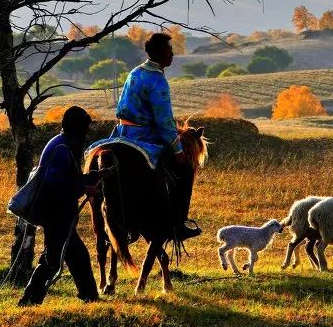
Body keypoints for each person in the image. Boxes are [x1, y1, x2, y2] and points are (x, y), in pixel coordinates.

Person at [113, 31, 201, 241]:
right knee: (185, 170)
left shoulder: (135, 72)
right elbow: (164, 122)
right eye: (170, 50)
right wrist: (178, 150)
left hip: (122, 132)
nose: (172, 54)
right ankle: (178, 223)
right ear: (161, 53)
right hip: (145, 136)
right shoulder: (157, 81)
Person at [18, 104, 100, 307]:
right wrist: (85, 188)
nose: (86, 133)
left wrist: (92, 177)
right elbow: (57, 184)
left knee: (71, 256)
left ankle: (89, 296)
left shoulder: (61, 143)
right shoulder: (63, 149)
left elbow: (68, 177)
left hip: (58, 214)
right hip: (56, 214)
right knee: (54, 259)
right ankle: (29, 300)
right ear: (76, 127)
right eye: (84, 128)